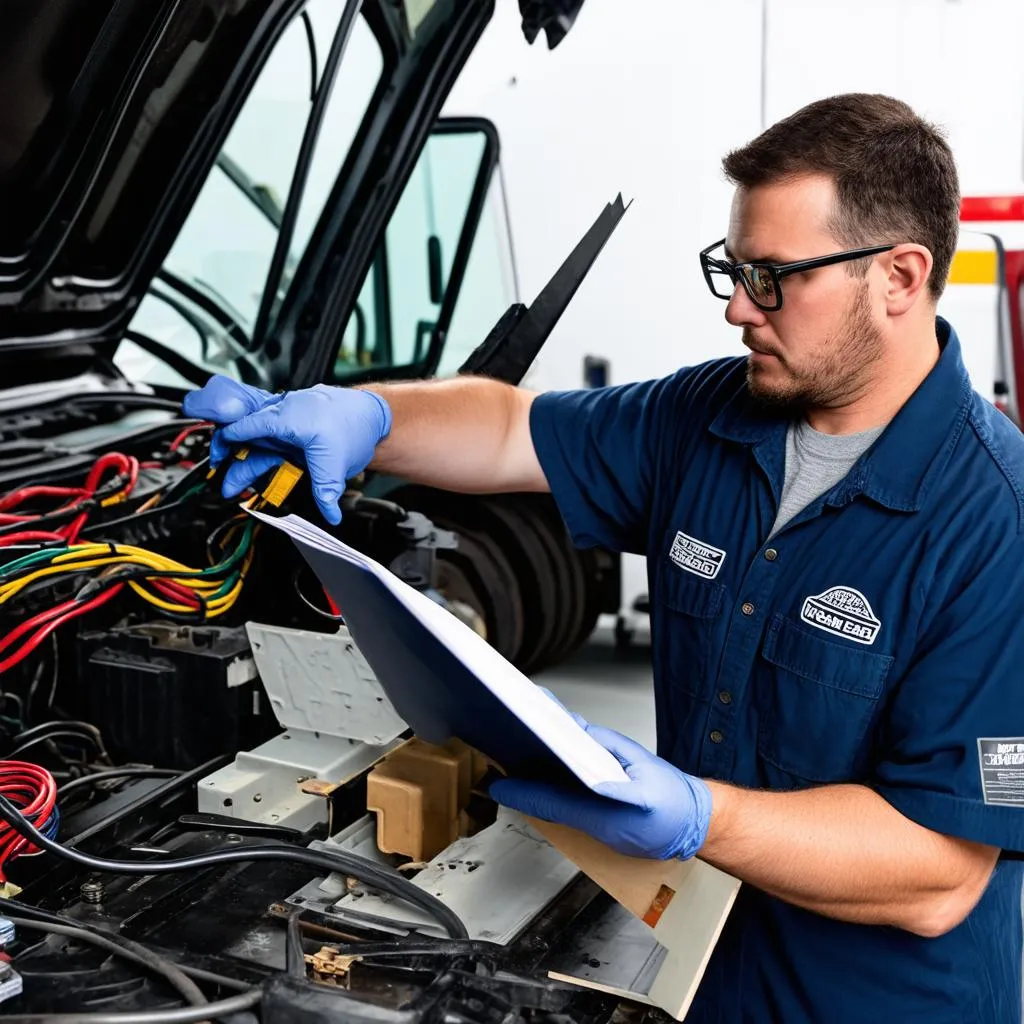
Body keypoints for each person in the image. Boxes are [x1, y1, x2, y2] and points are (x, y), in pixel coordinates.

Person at [183, 94, 1024, 1023]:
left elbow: (940, 873)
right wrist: (366, 417)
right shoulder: (707, 417)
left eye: (774, 277)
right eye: (732, 270)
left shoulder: (995, 520)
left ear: (900, 276)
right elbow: (510, 428)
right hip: (692, 972)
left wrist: (704, 817)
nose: (741, 307)